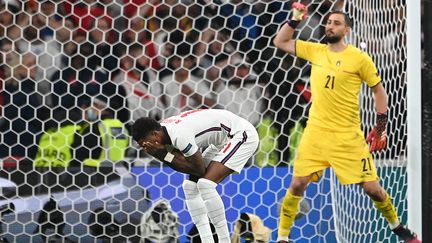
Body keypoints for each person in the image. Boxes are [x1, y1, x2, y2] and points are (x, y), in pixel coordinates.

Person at [273, 3, 420, 243]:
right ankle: (282, 237)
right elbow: (281, 41)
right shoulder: (316, 50)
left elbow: (379, 92)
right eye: (329, 22)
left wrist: (381, 128)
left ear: (347, 30)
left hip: (347, 136)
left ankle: (398, 227)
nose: (330, 26)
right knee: (298, 183)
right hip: (316, 133)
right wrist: (296, 18)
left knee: (373, 189)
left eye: (336, 23)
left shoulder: (359, 59)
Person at [132, 109, 259, 243]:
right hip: (221, 140)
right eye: (143, 147)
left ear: (155, 134)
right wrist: (164, 155)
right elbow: (182, 163)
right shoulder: (164, 136)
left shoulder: (179, 135)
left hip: (241, 135)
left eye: (146, 143)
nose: (147, 148)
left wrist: (162, 155)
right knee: (190, 187)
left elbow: (198, 170)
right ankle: (207, 240)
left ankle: (224, 240)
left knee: (206, 185)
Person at [71, 95, 129, 167]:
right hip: (118, 173)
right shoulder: (122, 127)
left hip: (93, 172)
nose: (88, 109)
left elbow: (78, 155)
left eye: (91, 105)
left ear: (99, 106)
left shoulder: (95, 128)